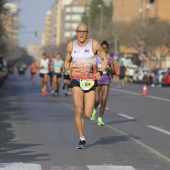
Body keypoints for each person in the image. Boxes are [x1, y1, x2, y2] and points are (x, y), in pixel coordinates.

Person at [64, 23, 108, 149]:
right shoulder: (70, 45)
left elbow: (104, 58)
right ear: (76, 32)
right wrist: (66, 65)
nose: (81, 34)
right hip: (76, 80)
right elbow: (67, 59)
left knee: (87, 114)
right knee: (78, 110)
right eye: (79, 31)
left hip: (90, 81)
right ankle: (82, 138)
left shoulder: (94, 44)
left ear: (87, 33)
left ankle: (88, 107)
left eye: (84, 32)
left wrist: (100, 72)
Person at [90, 41, 115, 126]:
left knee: (103, 101)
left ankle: (100, 118)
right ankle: (94, 109)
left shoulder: (110, 59)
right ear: (100, 48)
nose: (105, 50)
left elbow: (114, 71)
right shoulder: (95, 57)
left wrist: (109, 69)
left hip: (106, 80)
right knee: (97, 100)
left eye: (106, 48)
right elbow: (91, 69)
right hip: (97, 80)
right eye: (103, 48)